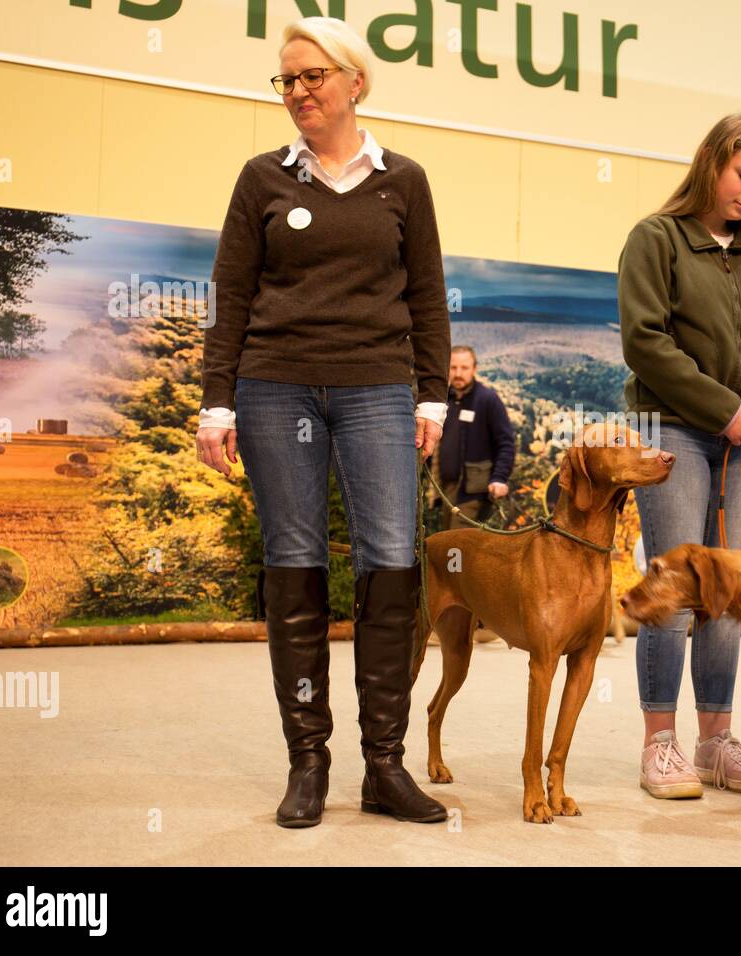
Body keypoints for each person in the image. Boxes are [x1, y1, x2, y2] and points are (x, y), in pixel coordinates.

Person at [194, 16, 450, 828]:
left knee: (393, 557)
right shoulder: (261, 180)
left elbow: (426, 295)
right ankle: (308, 762)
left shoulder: (403, 180)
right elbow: (230, 295)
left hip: (378, 389)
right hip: (275, 388)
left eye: (313, 76)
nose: (298, 91)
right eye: (287, 79)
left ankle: (385, 767)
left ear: (354, 82)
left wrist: (433, 396)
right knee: (294, 559)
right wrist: (217, 402)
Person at [617, 113, 741, 800]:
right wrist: (723, 407)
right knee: (672, 590)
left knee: (728, 595)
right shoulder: (657, 239)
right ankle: (660, 745)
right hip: (672, 430)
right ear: (711, 162)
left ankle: (715, 744)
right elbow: (646, 343)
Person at [430, 346, 516, 530]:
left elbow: (506, 444)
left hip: (473, 493)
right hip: (445, 489)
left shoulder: (487, 399)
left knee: (457, 542)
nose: (458, 374)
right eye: (453, 368)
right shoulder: (443, 399)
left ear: (474, 369)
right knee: (446, 540)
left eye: (464, 368)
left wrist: (499, 478)